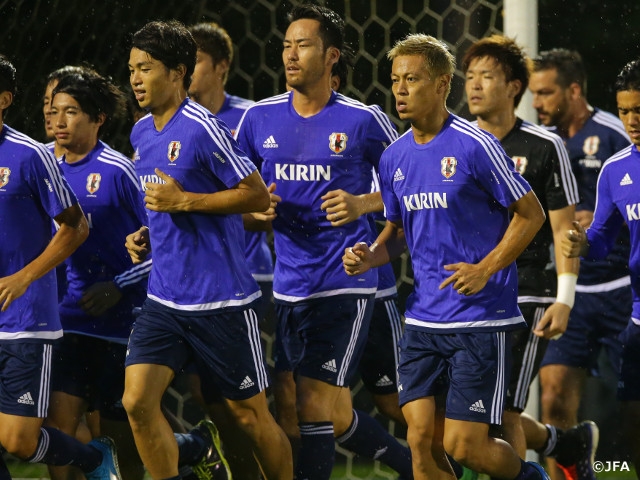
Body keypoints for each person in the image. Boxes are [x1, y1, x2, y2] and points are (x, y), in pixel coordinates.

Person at [343, 33, 549, 480]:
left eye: (411, 79)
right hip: (422, 319)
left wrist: (485, 268)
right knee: (418, 438)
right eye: (395, 79)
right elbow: (397, 233)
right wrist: (369, 256)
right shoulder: (394, 157)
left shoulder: (475, 145)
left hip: (479, 318)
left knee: (465, 446)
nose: (399, 89)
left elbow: (530, 215)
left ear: (441, 84)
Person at [234, 5, 413, 479]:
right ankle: (411, 466)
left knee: (315, 401)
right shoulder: (258, 119)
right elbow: (238, 198)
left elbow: (408, 185)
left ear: (331, 55)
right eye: (287, 45)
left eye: (303, 45)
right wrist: (255, 211)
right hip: (290, 283)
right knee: (309, 407)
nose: (290, 55)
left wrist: (362, 204)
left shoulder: (362, 121)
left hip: (345, 280)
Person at [122, 20, 292, 480]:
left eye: (147, 68)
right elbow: (163, 207)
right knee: (136, 402)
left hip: (221, 302)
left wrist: (185, 201)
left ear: (178, 72)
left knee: (250, 418)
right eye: (133, 68)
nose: (136, 78)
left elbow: (257, 196)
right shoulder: (141, 133)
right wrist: (146, 233)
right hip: (164, 299)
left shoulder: (202, 128)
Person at [462, 35, 598, 476]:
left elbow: (563, 229)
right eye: (469, 77)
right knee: (466, 412)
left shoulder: (544, 146)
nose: (475, 86)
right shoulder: (455, 144)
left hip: (526, 291)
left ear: (514, 87)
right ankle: (567, 443)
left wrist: (565, 298)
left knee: (502, 412)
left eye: (487, 76)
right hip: (466, 294)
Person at [0, 53, 120, 480]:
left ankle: (94, 459)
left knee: (19, 440)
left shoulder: (29, 156)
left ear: (4, 99)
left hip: (27, 320)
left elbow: (76, 227)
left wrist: (24, 277)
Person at [529, 48, 632, 480]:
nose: (537, 103)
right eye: (534, 93)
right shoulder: (539, 143)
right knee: (552, 400)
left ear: (573, 90)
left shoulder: (615, 133)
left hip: (623, 289)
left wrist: (601, 222)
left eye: (546, 93)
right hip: (567, 292)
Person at [44, 69, 150, 480]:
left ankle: (188, 449)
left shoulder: (119, 172)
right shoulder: (42, 166)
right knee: (58, 429)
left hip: (120, 327)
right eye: (54, 112)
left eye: (71, 112)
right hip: (66, 321)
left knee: (120, 440)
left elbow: (164, 246)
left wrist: (118, 287)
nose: (59, 121)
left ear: (97, 117)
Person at [186, 20, 267, 480]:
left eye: (195, 62)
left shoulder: (251, 119)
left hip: (256, 276)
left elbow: (266, 200)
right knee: (204, 390)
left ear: (222, 66)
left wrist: (196, 209)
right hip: (191, 279)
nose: (186, 72)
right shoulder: (165, 123)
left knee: (270, 399)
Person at [561, 57, 640, 473]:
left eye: (638, 110)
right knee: (633, 424)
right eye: (624, 110)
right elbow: (602, 242)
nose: (630, 120)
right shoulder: (617, 170)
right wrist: (580, 243)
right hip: (638, 318)